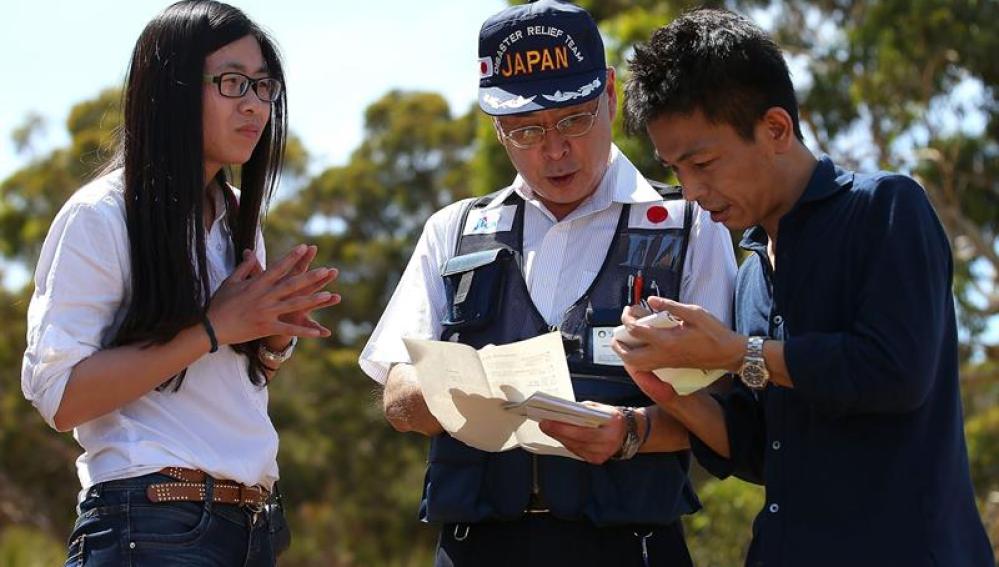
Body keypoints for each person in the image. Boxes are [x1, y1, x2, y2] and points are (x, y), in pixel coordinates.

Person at [359, 1, 736, 565]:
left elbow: (727, 411)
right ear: (497, 127)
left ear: (610, 93)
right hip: (476, 546)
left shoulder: (692, 223)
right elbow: (397, 394)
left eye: (574, 120)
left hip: (630, 545)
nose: (554, 149)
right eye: (526, 129)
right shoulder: (453, 230)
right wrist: (446, 396)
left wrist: (630, 431)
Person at [616, 8, 994, 566]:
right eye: (676, 171)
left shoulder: (885, 209)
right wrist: (670, 390)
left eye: (703, 162)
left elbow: (894, 373)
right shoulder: (751, 272)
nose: (691, 192)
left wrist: (735, 351)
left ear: (775, 129)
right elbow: (764, 451)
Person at [20, 2, 340, 565]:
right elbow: (62, 397)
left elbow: (214, 381)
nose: (254, 105)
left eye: (264, 87)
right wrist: (214, 327)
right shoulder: (100, 216)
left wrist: (267, 342)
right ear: (170, 88)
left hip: (251, 526)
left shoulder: (238, 218)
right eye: (233, 82)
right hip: (152, 521)